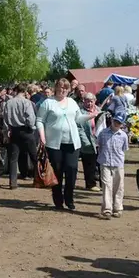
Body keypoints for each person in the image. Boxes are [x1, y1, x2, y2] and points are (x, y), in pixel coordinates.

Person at [37, 78, 95, 211]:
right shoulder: (48, 103)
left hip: (72, 143)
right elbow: (39, 120)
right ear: (56, 87)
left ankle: (69, 198)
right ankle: (58, 199)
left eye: (65, 88)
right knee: (57, 171)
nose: (62, 90)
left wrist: (91, 116)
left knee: (72, 170)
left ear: (68, 89)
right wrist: (42, 136)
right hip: (54, 144)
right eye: (60, 87)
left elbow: (78, 118)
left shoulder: (72, 102)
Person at [3, 82, 38, 189]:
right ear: (25, 91)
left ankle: (13, 182)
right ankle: (38, 178)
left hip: (14, 131)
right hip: (26, 131)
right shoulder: (27, 103)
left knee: (13, 158)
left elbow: (5, 119)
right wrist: (31, 127)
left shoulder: (8, 103)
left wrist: (7, 131)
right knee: (34, 156)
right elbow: (31, 119)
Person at [96, 110, 129, 219]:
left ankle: (118, 208)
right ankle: (107, 209)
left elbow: (124, 149)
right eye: (115, 121)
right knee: (106, 185)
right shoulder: (103, 133)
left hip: (118, 163)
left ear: (122, 124)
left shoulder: (123, 135)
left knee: (119, 186)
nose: (116, 124)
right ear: (112, 120)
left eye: (119, 122)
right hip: (105, 162)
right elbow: (99, 145)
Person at [77, 93, 100, 191]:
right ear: (83, 101)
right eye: (87, 101)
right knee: (89, 164)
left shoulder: (99, 111)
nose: (89, 103)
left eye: (91, 101)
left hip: (99, 141)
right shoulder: (80, 113)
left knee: (101, 163)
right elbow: (79, 128)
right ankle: (90, 184)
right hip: (87, 141)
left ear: (94, 101)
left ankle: (104, 184)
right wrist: (85, 141)